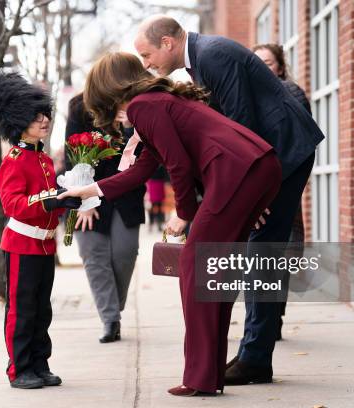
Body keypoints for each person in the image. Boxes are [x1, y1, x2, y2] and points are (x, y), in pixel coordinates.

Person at [58, 52, 282, 396]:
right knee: (215, 273)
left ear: (107, 86)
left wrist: (185, 212)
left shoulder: (143, 107)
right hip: (253, 167)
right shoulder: (155, 102)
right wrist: (87, 190)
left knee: (196, 267)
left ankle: (200, 378)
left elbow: (177, 164)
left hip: (238, 172)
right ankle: (209, 375)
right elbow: (141, 170)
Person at [133, 15, 325, 385]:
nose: (147, 64)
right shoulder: (201, 58)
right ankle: (254, 353)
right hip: (270, 155)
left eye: (147, 55)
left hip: (283, 152)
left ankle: (255, 357)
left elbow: (241, 122)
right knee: (257, 250)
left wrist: (251, 189)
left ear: (168, 43)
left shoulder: (213, 55)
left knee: (262, 252)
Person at [0, 68, 82, 389]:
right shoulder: (13, 160)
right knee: (21, 312)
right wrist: (49, 201)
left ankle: (39, 364)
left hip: (44, 245)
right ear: (19, 120)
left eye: (45, 114)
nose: (44, 120)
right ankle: (19, 368)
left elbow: (49, 197)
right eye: (37, 116)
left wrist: (66, 201)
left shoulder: (44, 160)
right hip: (22, 245)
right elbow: (13, 205)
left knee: (42, 311)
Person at [65, 94, 145, 343]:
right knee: (93, 255)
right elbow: (73, 155)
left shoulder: (135, 105)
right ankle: (110, 320)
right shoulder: (80, 106)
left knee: (125, 253)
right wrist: (85, 201)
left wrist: (132, 126)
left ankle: (112, 307)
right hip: (86, 193)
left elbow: (149, 157)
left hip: (125, 193)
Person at [253, 42, 313, 340]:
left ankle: (274, 317)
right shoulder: (248, 97)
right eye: (257, 62)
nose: (264, 67)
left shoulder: (292, 93)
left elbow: (299, 143)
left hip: (283, 185)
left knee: (282, 256)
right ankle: (265, 318)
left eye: (268, 62)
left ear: (279, 66)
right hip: (258, 190)